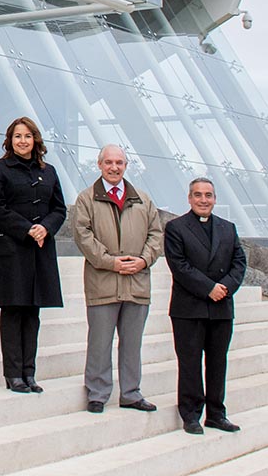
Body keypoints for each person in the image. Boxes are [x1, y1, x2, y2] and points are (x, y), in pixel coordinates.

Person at [70, 143, 164, 413]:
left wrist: (144, 259)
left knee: (132, 342)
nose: (114, 167)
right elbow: (83, 236)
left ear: (126, 166)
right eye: (108, 162)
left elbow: (156, 235)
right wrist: (111, 262)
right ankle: (97, 393)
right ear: (99, 165)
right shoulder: (87, 199)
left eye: (119, 163)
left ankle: (131, 393)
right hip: (103, 282)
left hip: (137, 282)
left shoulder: (143, 200)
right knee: (100, 341)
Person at [0, 117, 66, 393]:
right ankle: (13, 374)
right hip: (13, 250)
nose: (22, 141)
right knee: (13, 312)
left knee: (33, 314)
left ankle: (30, 373)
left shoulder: (49, 171)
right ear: (9, 140)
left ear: (35, 140)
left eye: (27, 136)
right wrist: (27, 228)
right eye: (17, 136)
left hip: (41, 251)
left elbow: (59, 209)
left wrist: (45, 228)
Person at [165, 177, 247, 435]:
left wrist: (224, 287)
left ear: (214, 199)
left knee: (217, 362)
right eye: (198, 195)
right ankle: (190, 414)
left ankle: (216, 414)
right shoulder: (176, 228)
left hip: (221, 307)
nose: (203, 200)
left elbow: (239, 262)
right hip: (189, 308)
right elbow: (179, 265)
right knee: (189, 363)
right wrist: (208, 288)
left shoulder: (228, 228)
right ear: (189, 198)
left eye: (208, 195)